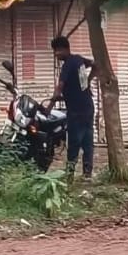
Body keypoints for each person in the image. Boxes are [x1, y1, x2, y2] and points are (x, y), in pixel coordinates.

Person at [48, 35, 95, 178]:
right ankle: (87, 174)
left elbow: (60, 87)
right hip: (88, 106)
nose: (56, 55)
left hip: (76, 110)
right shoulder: (79, 59)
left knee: (74, 142)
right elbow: (95, 64)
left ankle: (69, 175)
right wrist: (87, 81)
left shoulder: (68, 65)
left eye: (57, 51)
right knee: (87, 141)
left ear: (64, 49)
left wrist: (49, 106)